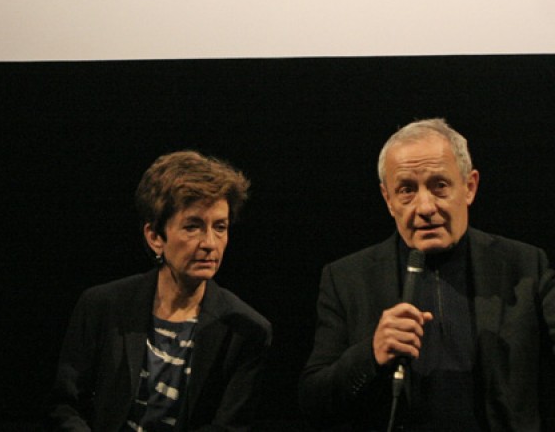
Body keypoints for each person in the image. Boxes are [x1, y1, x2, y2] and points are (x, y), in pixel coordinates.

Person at [299, 118, 555, 430]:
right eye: (407, 190)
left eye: (440, 186)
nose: (425, 206)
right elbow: (313, 401)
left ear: (469, 187)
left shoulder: (524, 265)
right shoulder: (347, 278)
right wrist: (371, 353)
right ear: (388, 200)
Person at [48, 150, 272, 431]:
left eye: (220, 227)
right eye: (193, 227)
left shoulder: (246, 330)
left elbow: (229, 427)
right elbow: (65, 406)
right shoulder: (102, 306)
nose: (210, 243)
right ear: (155, 236)